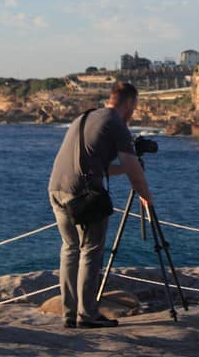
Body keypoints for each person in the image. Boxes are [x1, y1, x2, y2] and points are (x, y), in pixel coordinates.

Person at [48, 80, 155, 330]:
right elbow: (132, 169)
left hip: (56, 188)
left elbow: (100, 166)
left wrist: (127, 169)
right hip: (83, 195)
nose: (133, 113)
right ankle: (87, 315)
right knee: (91, 251)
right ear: (129, 103)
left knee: (70, 248)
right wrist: (146, 196)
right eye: (134, 107)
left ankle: (69, 313)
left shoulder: (85, 117)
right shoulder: (116, 123)